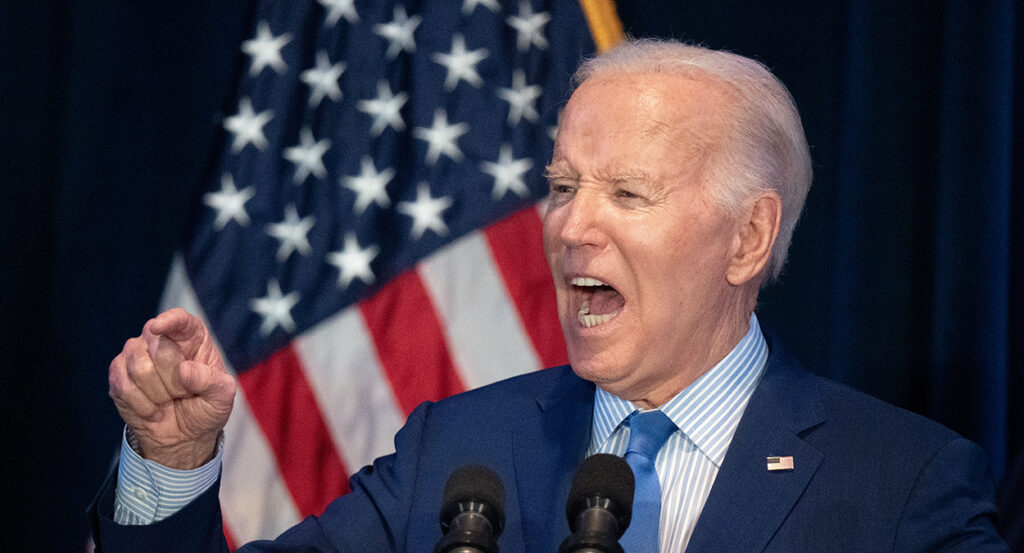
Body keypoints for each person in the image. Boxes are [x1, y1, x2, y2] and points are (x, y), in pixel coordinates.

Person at [88, 39, 1010, 552]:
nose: (570, 227)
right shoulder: (459, 450)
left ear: (748, 238)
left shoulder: (905, 486)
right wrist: (171, 463)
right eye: (564, 186)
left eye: (627, 194)